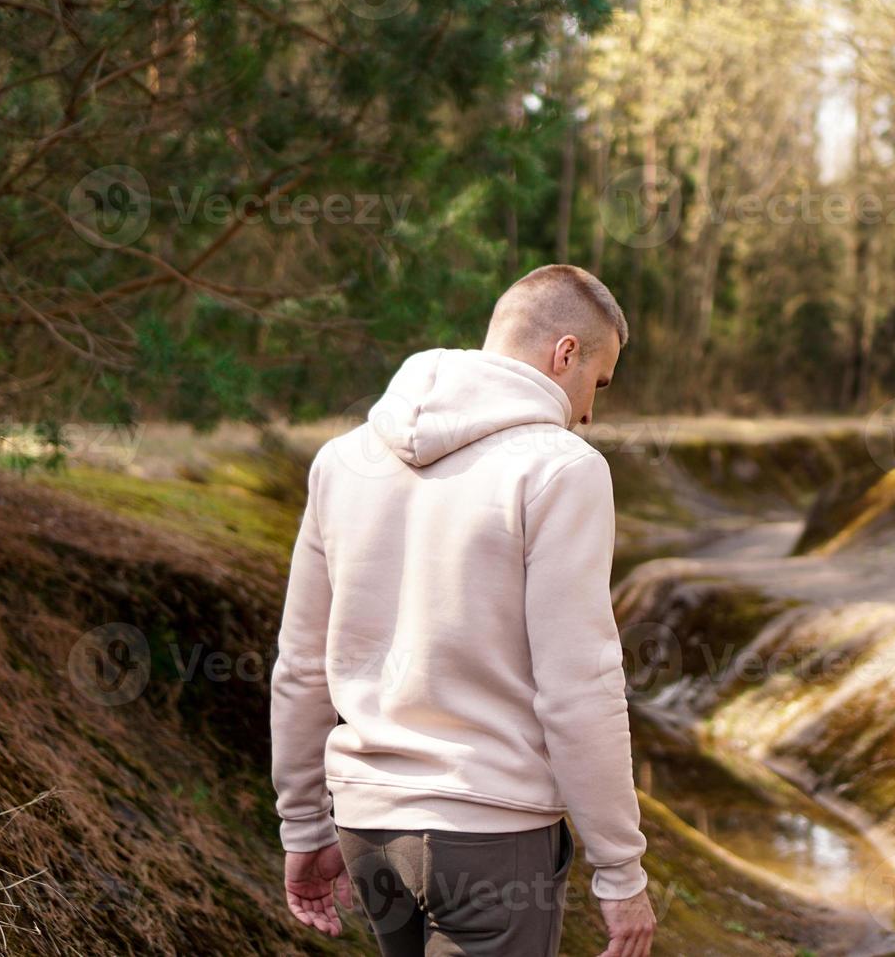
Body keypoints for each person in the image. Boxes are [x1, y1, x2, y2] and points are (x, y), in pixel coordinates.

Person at [269, 264, 656, 957]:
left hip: (369, 835)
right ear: (564, 353)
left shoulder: (342, 460)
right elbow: (577, 688)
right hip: (494, 839)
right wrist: (620, 871)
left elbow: (300, 665)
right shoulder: (562, 469)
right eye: (596, 383)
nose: (590, 412)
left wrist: (303, 826)